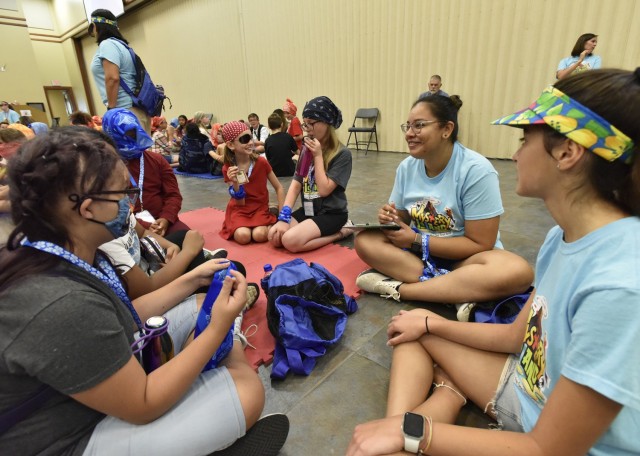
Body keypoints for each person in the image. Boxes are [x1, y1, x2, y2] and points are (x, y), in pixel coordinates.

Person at [347, 68, 640, 456]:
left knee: (403, 424)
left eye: (524, 140)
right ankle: (414, 420)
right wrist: (429, 320)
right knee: (411, 330)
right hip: (527, 390)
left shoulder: (619, 283)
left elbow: (549, 448)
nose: (515, 154)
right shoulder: (561, 236)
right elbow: (514, 337)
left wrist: (412, 433)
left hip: (551, 438)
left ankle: (406, 430)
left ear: (567, 153)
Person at [0, 126, 289, 455]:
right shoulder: (60, 302)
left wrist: (192, 279)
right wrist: (218, 328)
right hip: (68, 437)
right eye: (122, 194)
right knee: (249, 391)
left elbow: (123, 316)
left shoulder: (61, 246)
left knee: (199, 305)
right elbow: (143, 402)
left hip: (87, 393)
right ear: (87, 209)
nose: (131, 204)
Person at [354, 94, 533, 316]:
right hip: (421, 255)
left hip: (465, 259)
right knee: (365, 240)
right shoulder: (406, 168)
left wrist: (417, 240)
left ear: (447, 129)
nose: (410, 133)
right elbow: (402, 219)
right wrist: (390, 218)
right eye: (408, 126)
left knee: (517, 271)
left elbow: (481, 243)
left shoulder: (476, 170)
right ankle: (458, 292)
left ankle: (403, 289)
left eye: (419, 125)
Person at [268, 96, 353, 252]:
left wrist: (318, 156)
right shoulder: (307, 149)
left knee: (290, 241)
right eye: (305, 124)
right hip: (310, 211)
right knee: (275, 236)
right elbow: (296, 184)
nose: (307, 129)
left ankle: (340, 233)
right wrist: (284, 216)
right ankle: (307, 230)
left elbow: (324, 190)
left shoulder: (343, 154)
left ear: (326, 122)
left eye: (311, 123)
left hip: (331, 214)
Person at [102, 108, 190, 236]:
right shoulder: (105, 167)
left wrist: (166, 218)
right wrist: (143, 225)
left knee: (188, 238)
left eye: (133, 133)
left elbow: (173, 195)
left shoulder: (156, 160)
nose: (130, 138)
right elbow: (110, 209)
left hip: (162, 220)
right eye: (125, 135)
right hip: (125, 226)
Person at [219, 121, 285, 244]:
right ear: (230, 145)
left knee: (259, 235)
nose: (250, 142)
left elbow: (279, 188)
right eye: (244, 139)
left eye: (250, 137)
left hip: (259, 207)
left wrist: (282, 217)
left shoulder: (261, 162)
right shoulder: (228, 168)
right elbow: (240, 202)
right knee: (243, 237)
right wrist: (235, 183)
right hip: (240, 209)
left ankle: (273, 216)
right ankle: (270, 218)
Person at [88, 9, 151, 132]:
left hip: (124, 111)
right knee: (140, 151)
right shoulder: (123, 46)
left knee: (125, 151)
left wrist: (112, 110)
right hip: (136, 109)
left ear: (95, 26)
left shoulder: (107, 45)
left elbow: (112, 78)